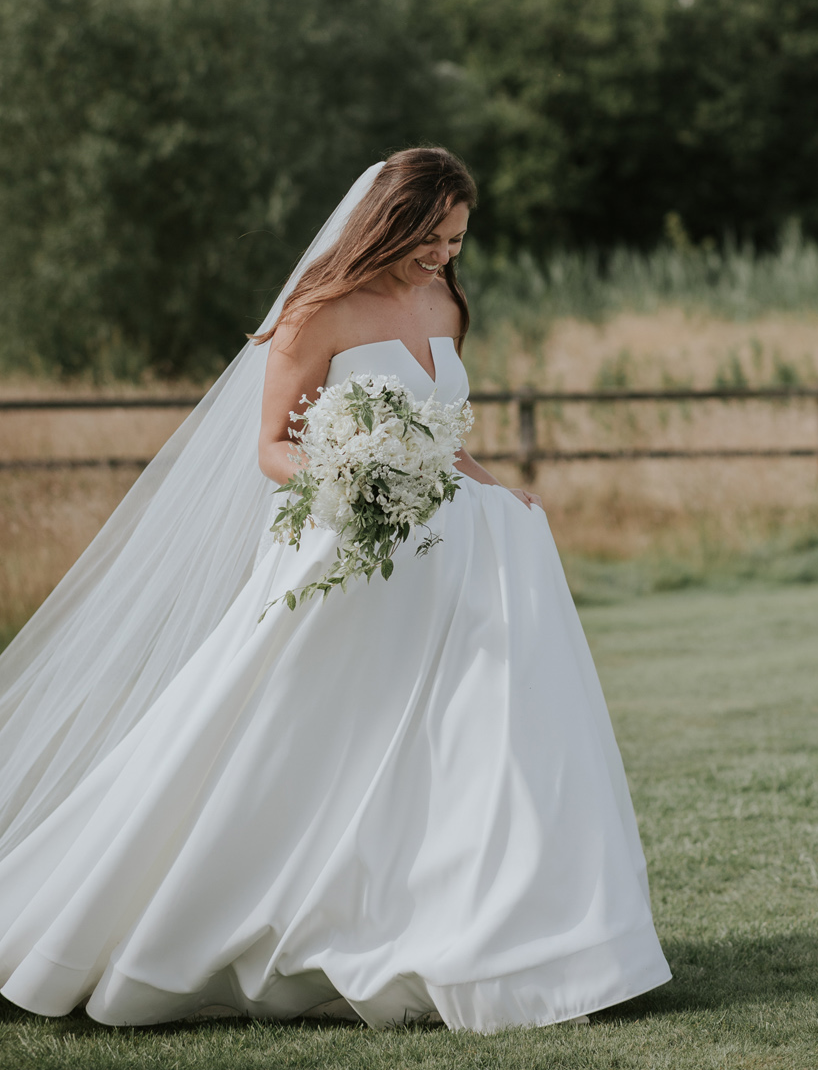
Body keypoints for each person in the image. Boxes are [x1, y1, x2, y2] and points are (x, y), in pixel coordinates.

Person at [0, 148, 671, 1030]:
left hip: (454, 559)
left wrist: (492, 484)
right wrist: (349, 478)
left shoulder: (447, 304)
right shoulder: (316, 312)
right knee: (291, 738)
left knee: (477, 737)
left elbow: (442, 435)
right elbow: (274, 445)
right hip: (345, 555)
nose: (443, 256)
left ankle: (484, 939)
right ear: (389, 222)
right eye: (432, 237)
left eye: (457, 241)